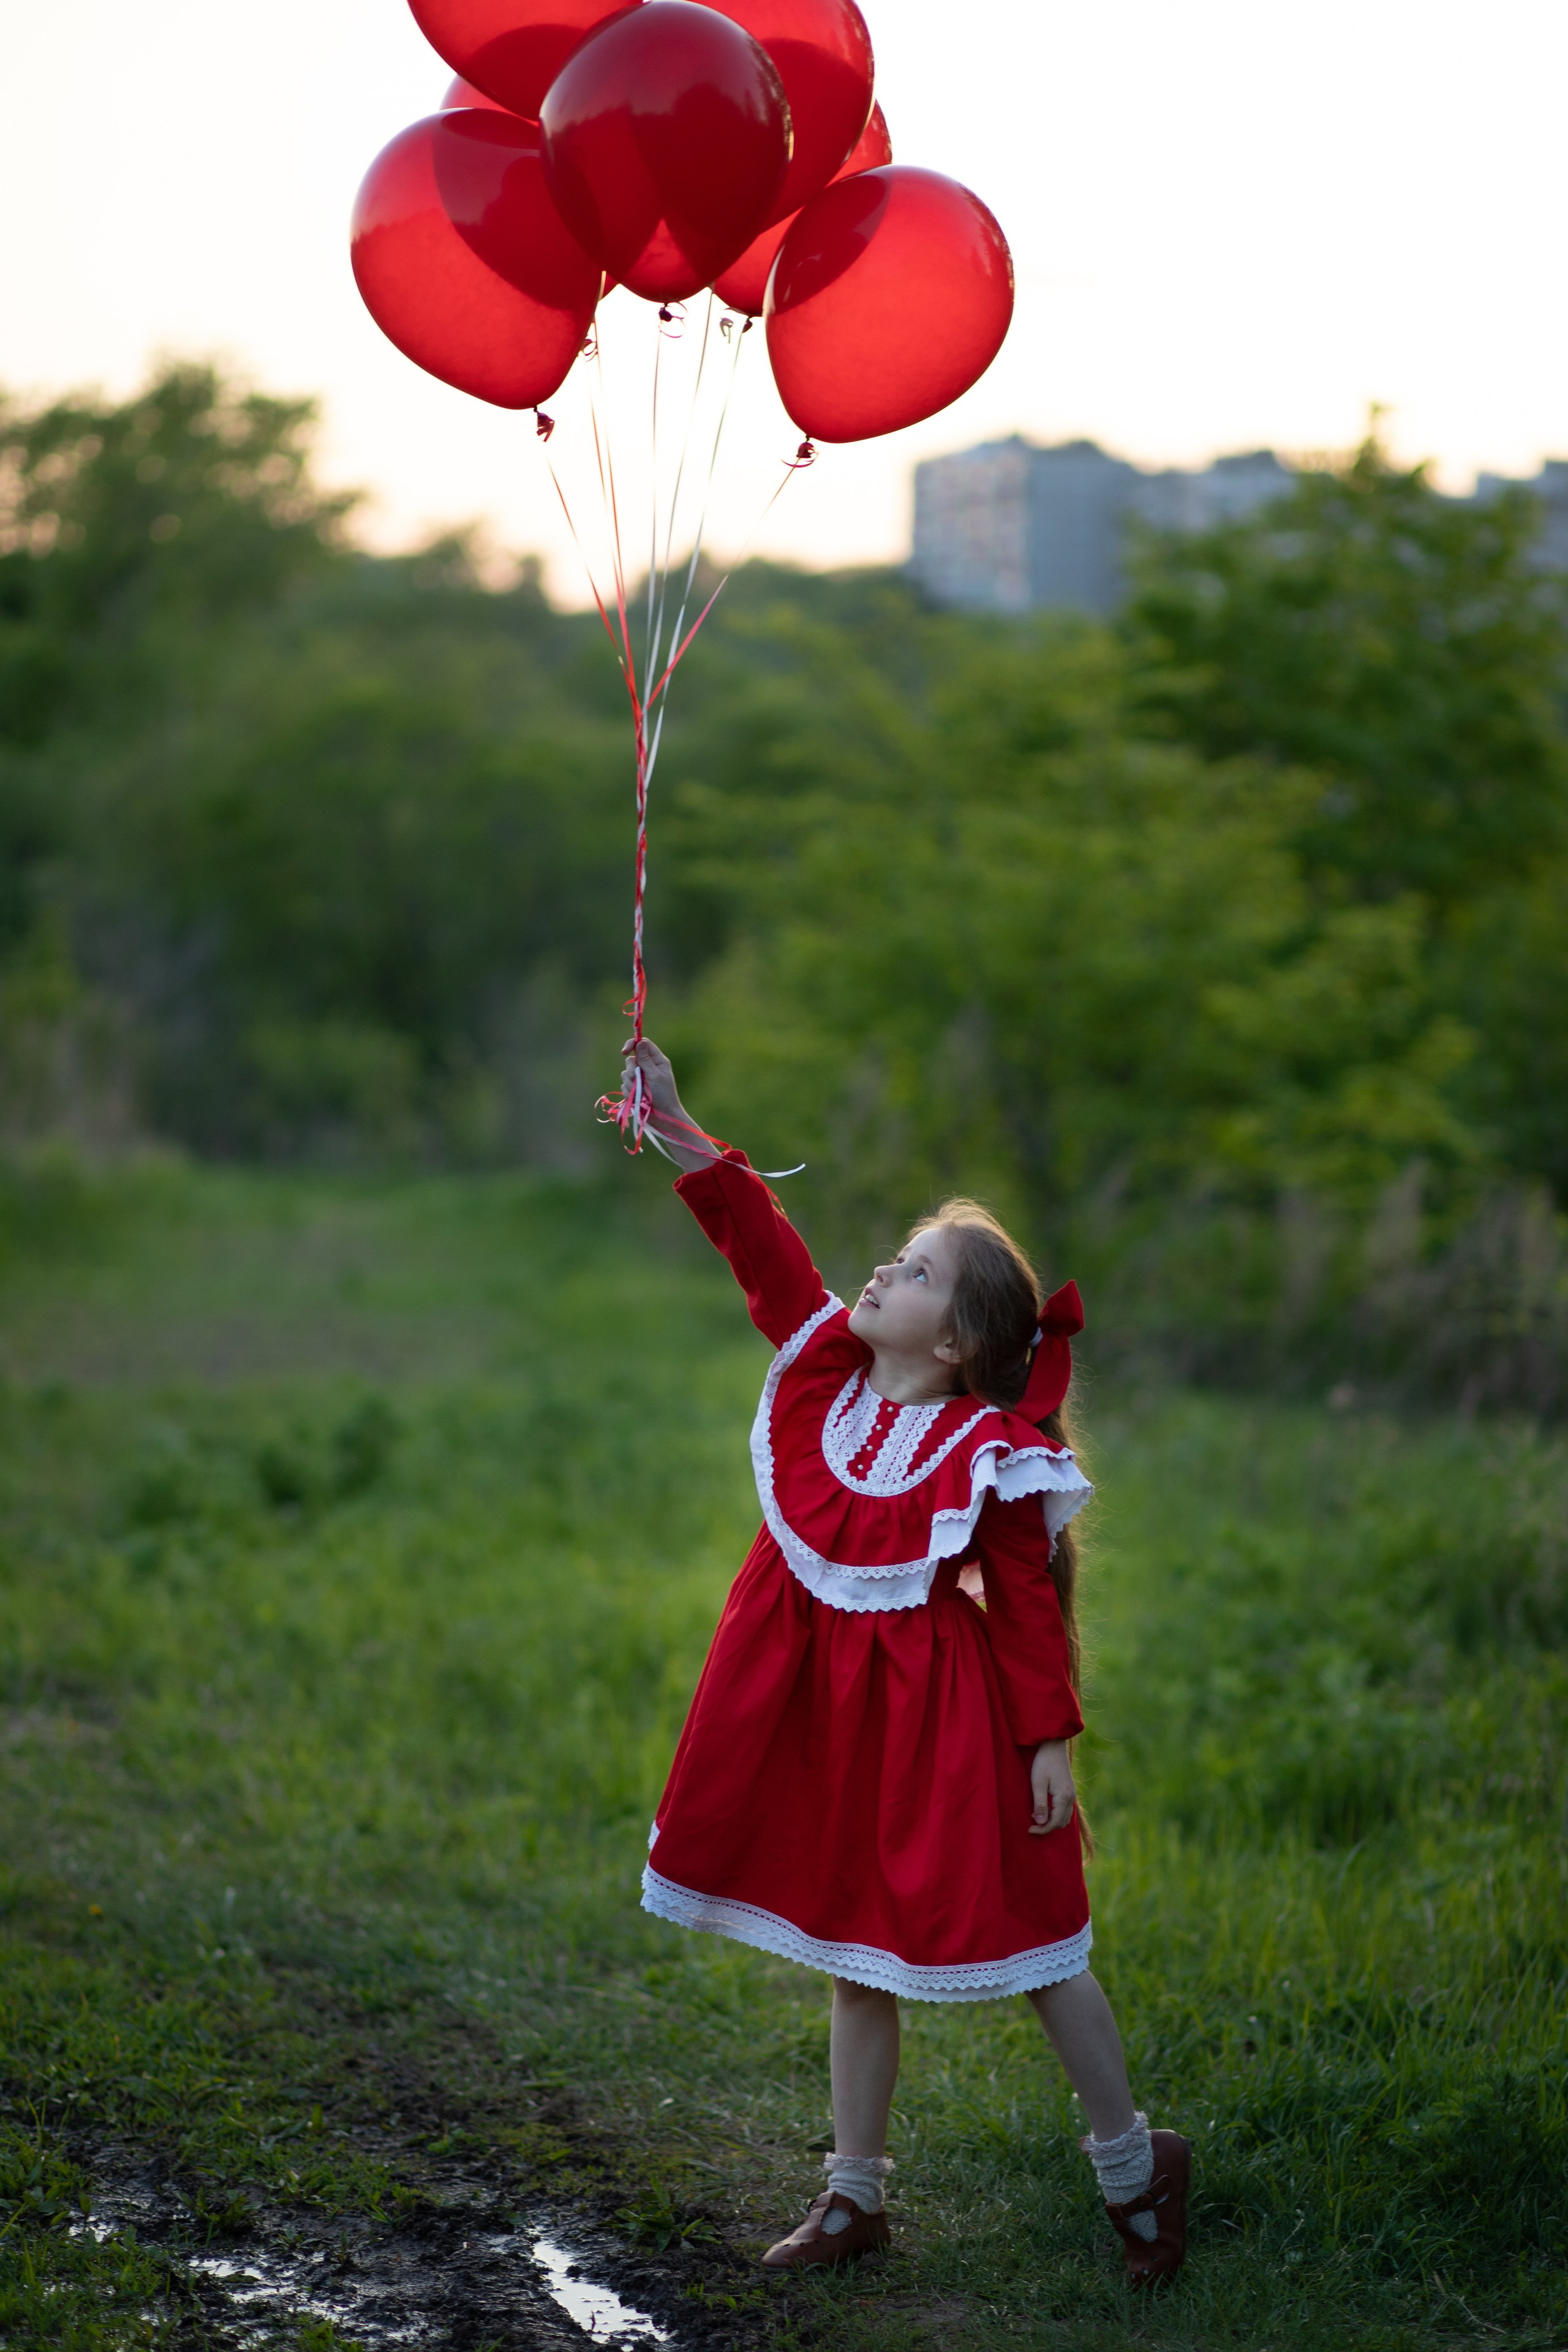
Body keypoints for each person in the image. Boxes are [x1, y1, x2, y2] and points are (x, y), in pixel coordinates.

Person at [625, 1038, 1190, 2288]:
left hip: (943, 1722)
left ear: (954, 1343)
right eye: (896, 1255)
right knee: (850, 1945)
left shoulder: (984, 1451)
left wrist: (1045, 1738)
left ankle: (1132, 2164)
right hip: (823, 1716)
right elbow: (762, 1249)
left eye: (916, 1270)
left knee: (1038, 1941)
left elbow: (1029, 1607)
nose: (882, 1268)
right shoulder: (821, 1374)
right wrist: (675, 1123)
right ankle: (851, 2196)